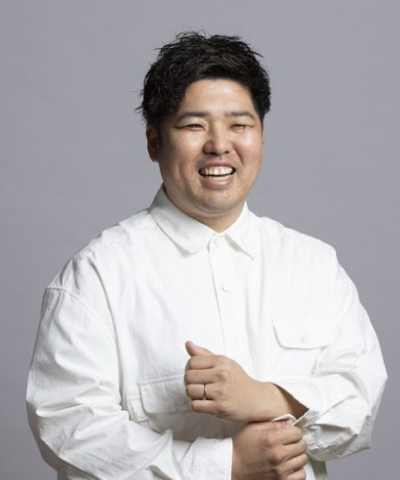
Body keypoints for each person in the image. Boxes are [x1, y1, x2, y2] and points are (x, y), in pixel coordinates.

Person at [27, 32, 387, 480]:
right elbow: (69, 430)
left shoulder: (313, 265)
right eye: (194, 126)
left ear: (261, 135)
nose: (219, 144)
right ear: (154, 142)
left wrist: (268, 397)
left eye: (239, 125)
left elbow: (361, 399)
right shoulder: (97, 275)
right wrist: (225, 465)